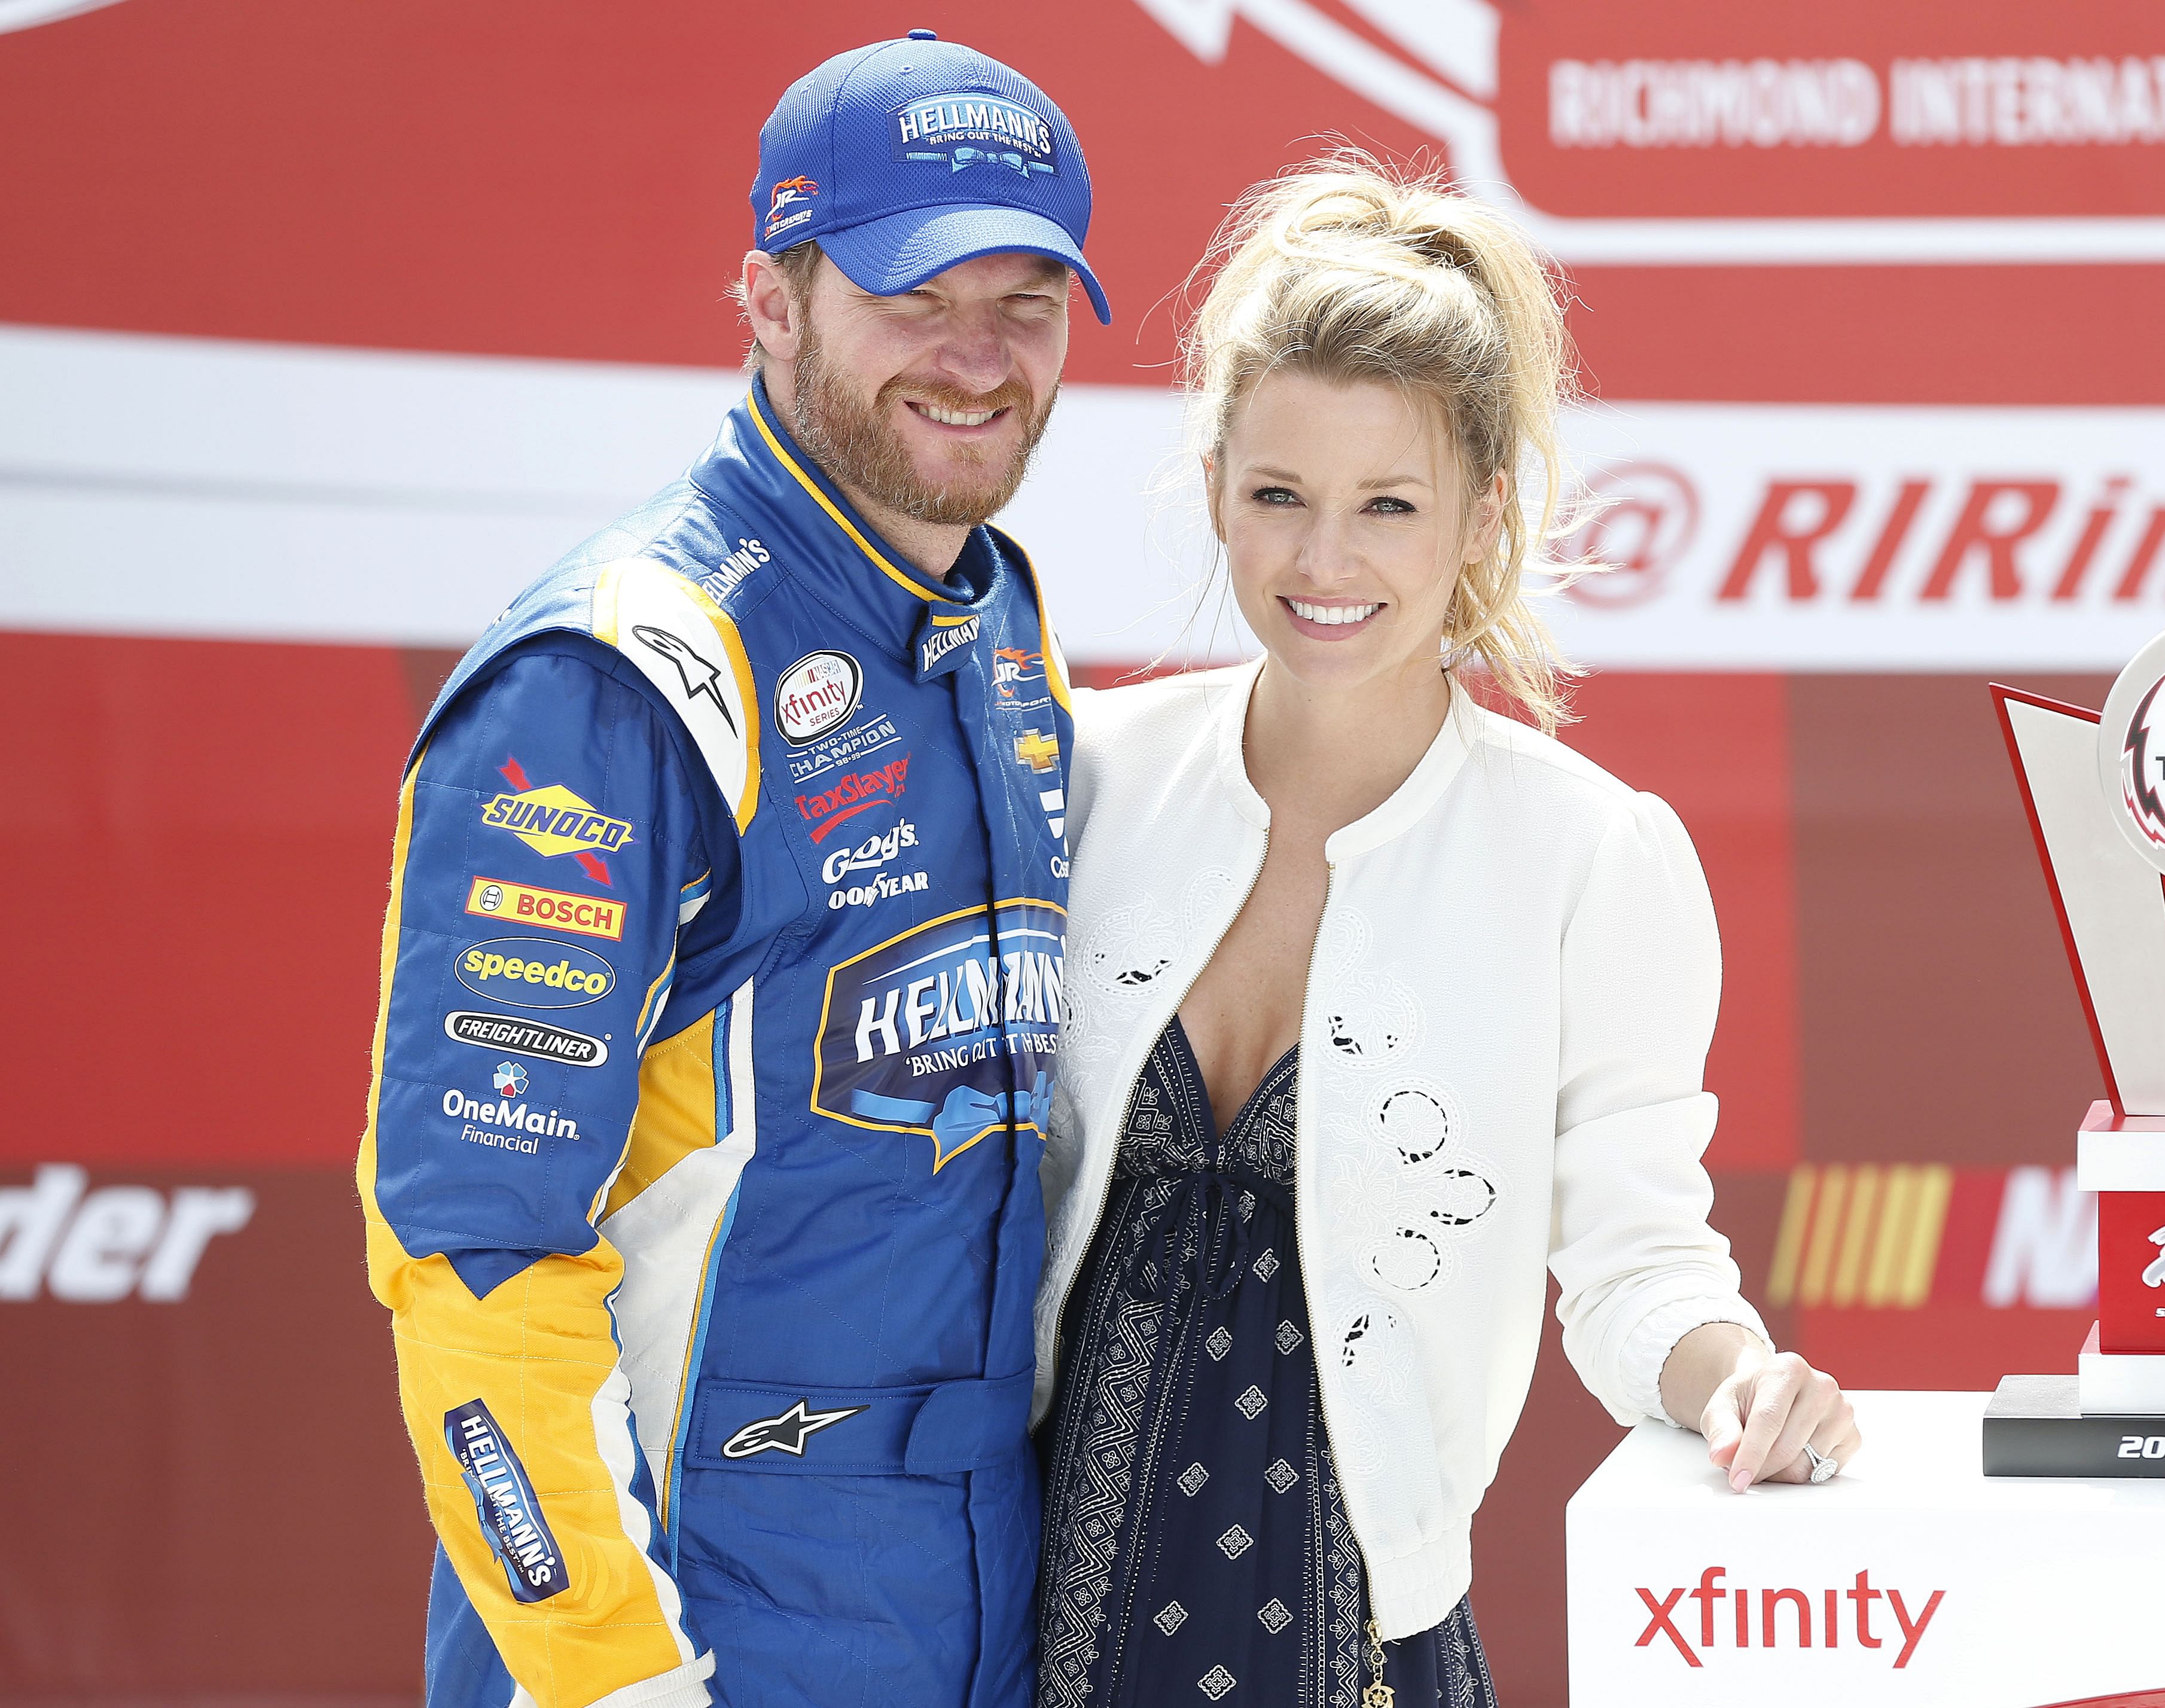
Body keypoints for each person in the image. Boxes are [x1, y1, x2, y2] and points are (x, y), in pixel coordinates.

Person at [1029, 160, 1859, 1707]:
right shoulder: (1073, 778)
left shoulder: (1585, 855)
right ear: (1211, 482)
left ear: (1482, 518)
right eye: (1277, 495)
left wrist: (1738, 1378)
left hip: (1352, 1652)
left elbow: (1633, 1263)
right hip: (1005, 1634)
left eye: (1386, 507)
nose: (1322, 563)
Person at [356, 34, 1104, 1708]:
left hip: (969, 1626)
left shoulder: (1002, 633)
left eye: (1030, 304)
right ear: (770, 298)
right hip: (696, 1633)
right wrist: (620, 1683)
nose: (978, 362)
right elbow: (473, 1257)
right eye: (918, 295)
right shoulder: (617, 676)